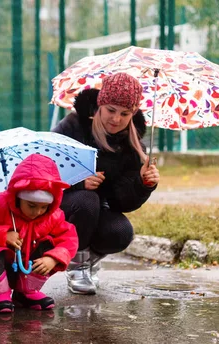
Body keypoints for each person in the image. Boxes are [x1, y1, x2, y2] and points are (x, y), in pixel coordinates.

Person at [52, 72, 160, 295]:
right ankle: (76, 264)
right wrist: (78, 183)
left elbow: (121, 203)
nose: (116, 119)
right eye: (111, 110)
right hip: (61, 207)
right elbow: (45, 170)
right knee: (87, 200)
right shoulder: (73, 126)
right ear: (100, 105)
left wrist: (143, 183)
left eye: (125, 113)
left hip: (97, 210)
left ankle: (88, 259)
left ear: (133, 113)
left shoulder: (133, 145)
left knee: (121, 232)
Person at [0, 153, 78, 313]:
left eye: (43, 207)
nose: (37, 212)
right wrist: (1, 235)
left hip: (26, 265)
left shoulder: (53, 215)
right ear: (18, 196)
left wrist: (53, 258)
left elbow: (69, 238)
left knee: (48, 243)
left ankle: (26, 291)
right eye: (31, 205)